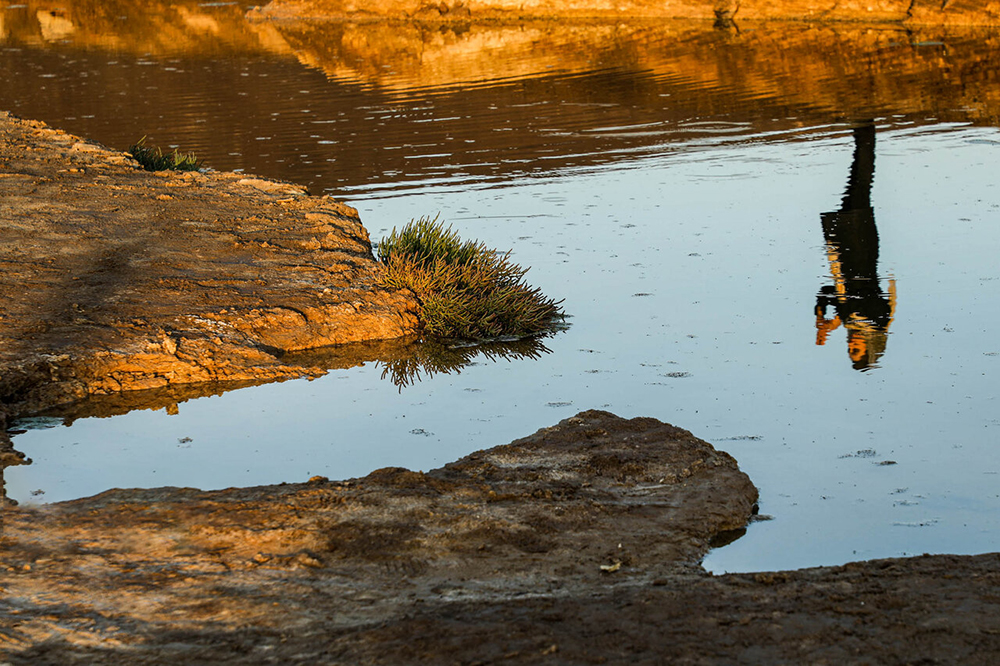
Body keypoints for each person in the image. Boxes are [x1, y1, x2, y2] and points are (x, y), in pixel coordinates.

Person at [814, 122, 896, 371]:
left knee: (856, 184)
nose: (851, 345)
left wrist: (821, 318)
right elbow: (861, 299)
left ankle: (862, 133)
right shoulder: (879, 319)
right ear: (870, 346)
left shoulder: (850, 319)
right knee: (861, 185)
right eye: (856, 349)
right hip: (861, 245)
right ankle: (865, 129)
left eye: (849, 350)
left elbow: (826, 290)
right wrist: (839, 320)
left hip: (843, 245)